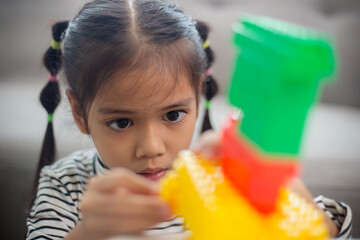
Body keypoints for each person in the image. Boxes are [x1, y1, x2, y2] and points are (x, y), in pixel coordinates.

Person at [26, 0, 352, 239]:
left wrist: (305, 213)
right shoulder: (65, 188)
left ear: (198, 97)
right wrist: (89, 233)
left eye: (173, 115)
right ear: (81, 113)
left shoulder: (227, 181)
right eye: (122, 122)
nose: (151, 148)